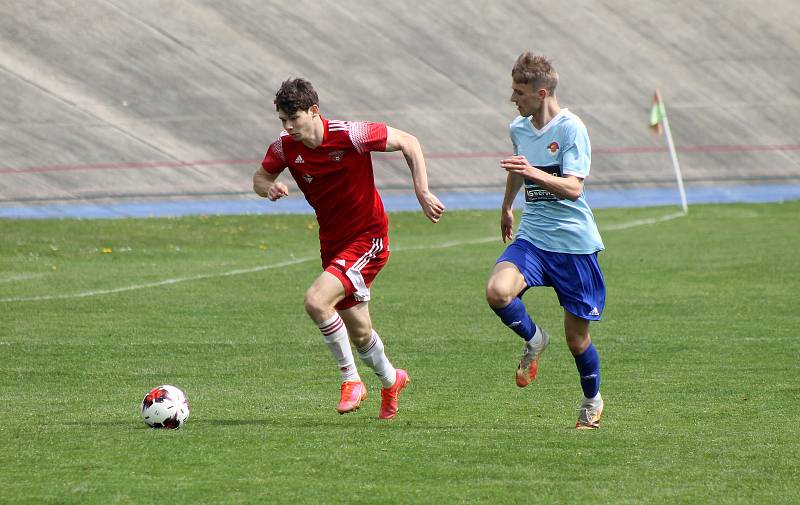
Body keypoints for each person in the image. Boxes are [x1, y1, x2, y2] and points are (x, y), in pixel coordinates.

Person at [254, 78, 445, 420]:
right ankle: (391, 379)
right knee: (359, 331)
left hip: (368, 237)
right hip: (332, 242)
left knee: (316, 300)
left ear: (314, 111)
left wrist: (422, 191)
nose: (288, 127)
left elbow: (409, 142)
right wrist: (268, 187)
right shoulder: (285, 148)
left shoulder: (351, 134)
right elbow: (259, 178)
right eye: (282, 120)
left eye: (293, 118)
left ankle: (351, 380)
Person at [485, 52, 606, 429]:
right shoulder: (519, 128)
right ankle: (535, 340)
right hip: (533, 237)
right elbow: (520, 169)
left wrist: (532, 172)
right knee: (497, 292)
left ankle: (591, 399)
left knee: (577, 340)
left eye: (519, 92)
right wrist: (507, 205)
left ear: (541, 92)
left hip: (573, 245)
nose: (513, 99)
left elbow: (573, 188)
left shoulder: (572, 129)